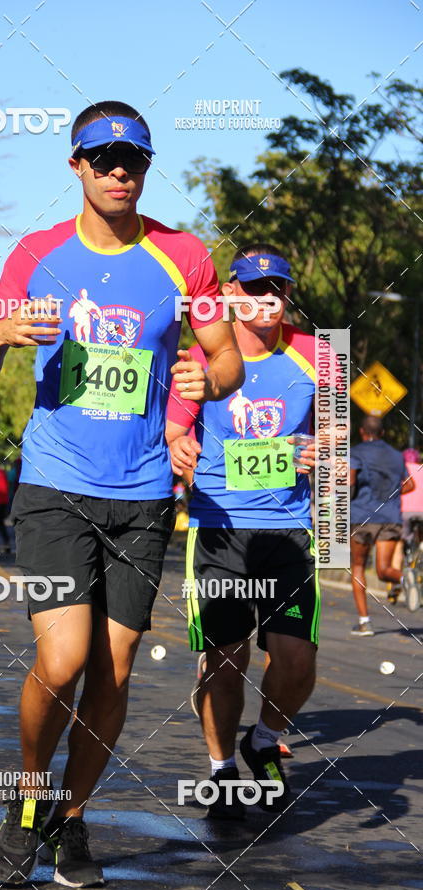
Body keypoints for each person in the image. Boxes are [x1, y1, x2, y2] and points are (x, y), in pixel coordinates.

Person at [0, 100, 243, 887]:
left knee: (114, 669)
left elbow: (225, 360)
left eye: (135, 160)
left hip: (144, 488)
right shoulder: (38, 254)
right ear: (76, 166)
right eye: (105, 158)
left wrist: (208, 377)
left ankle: (70, 824)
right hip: (56, 482)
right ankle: (26, 801)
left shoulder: (185, 257)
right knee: (65, 655)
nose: (121, 171)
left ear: (147, 169)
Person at [167, 243, 318, 819]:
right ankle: (222, 771)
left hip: (288, 533)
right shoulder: (201, 358)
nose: (266, 301)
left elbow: (333, 438)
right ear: (229, 294)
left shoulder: (315, 355)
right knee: (225, 662)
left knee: (297, 662)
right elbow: (174, 431)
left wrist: (322, 451)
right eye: (253, 290)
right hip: (219, 532)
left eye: (275, 289)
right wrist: (180, 445)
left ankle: (264, 738)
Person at [350, 416, 415, 634]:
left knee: (358, 566)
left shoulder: (356, 453)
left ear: (362, 432)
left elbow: (350, 483)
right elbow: (410, 484)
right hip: (389, 517)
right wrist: (390, 497)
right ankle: (406, 577)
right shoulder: (397, 456)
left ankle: (364, 622)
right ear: (383, 433)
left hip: (362, 516)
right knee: (384, 570)